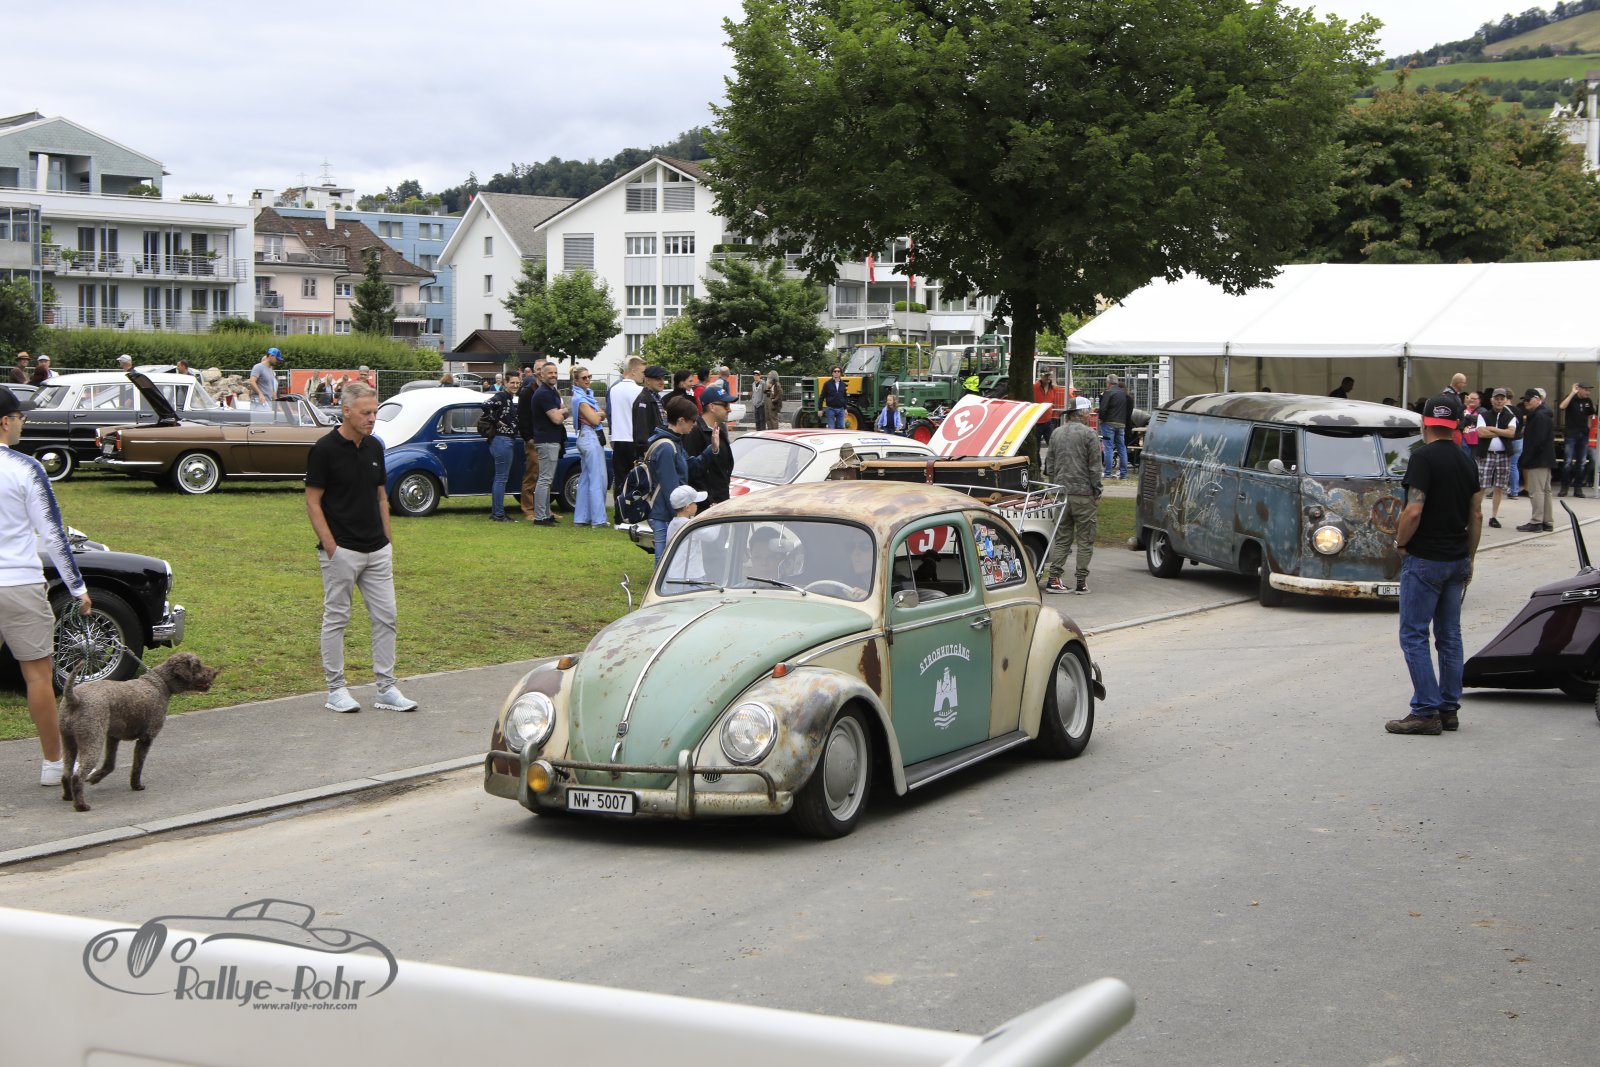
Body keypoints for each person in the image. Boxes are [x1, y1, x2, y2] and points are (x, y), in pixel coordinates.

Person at [304, 381, 418, 715]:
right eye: (366, 412)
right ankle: (336, 690)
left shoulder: (374, 447)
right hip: (342, 551)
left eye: (375, 412)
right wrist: (331, 546)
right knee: (336, 618)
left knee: (387, 617)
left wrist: (388, 540)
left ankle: (386, 688)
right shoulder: (324, 449)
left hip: (377, 549)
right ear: (346, 411)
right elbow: (313, 502)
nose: (372, 418)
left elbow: (381, 496)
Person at [0, 387, 92, 786]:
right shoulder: (26, 468)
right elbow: (53, 535)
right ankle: (54, 764)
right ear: (5, 422)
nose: (23, 423)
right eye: (20, 417)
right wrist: (77, 587)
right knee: (37, 676)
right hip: (19, 582)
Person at [1389, 393, 1483, 736]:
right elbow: (1476, 514)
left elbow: (1413, 510)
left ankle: (1425, 711)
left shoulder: (1422, 458)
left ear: (1424, 423)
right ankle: (1448, 708)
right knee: (1449, 635)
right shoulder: (1467, 461)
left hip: (1425, 559)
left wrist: (1401, 543)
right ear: (1456, 424)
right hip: (1456, 558)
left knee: (1414, 635)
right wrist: (1470, 558)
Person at [644, 396, 717, 563]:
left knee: (669, 559)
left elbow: (691, 466)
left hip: (666, 512)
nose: (694, 424)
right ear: (681, 420)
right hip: (662, 514)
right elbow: (671, 490)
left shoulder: (674, 442)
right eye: (693, 421)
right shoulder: (666, 447)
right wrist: (680, 518)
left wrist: (711, 449)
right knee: (664, 560)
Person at [1042, 396, 1103, 594]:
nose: (1090, 415)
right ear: (1082, 414)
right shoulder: (1089, 434)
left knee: (1062, 538)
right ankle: (1081, 582)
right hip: (1083, 494)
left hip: (1061, 493)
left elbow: (1050, 464)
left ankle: (1054, 578)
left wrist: (1054, 488)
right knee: (1085, 539)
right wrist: (1097, 490)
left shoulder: (1056, 433)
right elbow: (1095, 467)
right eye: (1088, 412)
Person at [528, 361, 568, 526]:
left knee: (547, 479)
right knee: (544, 479)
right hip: (546, 441)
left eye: (555, 372)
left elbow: (562, 411)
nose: (553, 375)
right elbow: (557, 418)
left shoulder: (552, 392)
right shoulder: (543, 393)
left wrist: (561, 411)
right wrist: (563, 411)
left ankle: (545, 513)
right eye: (550, 373)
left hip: (551, 440)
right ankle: (540, 516)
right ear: (541, 375)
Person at [570, 366, 608, 528]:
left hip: (588, 436)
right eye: (584, 378)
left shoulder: (587, 396)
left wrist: (598, 414)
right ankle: (598, 519)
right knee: (598, 479)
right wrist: (598, 414)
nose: (587, 380)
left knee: (586, 479)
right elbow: (595, 419)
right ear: (576, 381)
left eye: (589, 376)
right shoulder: (580, 399)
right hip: (589, 436)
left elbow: (600, 414)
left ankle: (581, 517)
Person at [608, 357, 645, 513]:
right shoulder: (639, 391)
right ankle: (631, 512)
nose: (644, 375)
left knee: (620, 480)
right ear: (633, 371)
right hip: (633, 439)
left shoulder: (613, 389)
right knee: (636, 480)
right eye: (642, 372)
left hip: (618, 439)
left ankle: (619, 513)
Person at [1475, 388, 1517, 528]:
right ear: (1492, 400)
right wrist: (1502, 432)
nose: (1499, 401)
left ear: (1505, 400)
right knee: (1481, 485)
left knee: (1499, 486)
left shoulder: (1510, 416)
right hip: (1487, 454)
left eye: (1501, 399)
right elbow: (1481, 433)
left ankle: (1494, 516)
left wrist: (1492, 429)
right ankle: (1475, 513)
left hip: (1503, 454)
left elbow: (1511, 433)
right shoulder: (1483, 415)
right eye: (1497, 399)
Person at [685, 385, 734, 504]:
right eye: (725, 405)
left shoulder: (719, 431)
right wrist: (709, 501)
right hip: (707, 506)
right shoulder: (695, 432)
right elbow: (692, 472)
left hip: (721, 501)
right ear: (712, 407)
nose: (729, 409)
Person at [1517, 388, 1555, 534]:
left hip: (1538, 459)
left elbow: (1537, 441)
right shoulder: (1543, 414)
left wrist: (1527, 458)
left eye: (1528, 399)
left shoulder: (1539, 416)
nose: (1526, 402)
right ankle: (1547, 521)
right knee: (1545, 491)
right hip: (1545, 458)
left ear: (1538, 399)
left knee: (1536, 491)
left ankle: (1537, 521)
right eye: (1524, 400)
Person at [482, 378, 518, 522]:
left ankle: (497, 512)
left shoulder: (509, 398)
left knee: (500, 478)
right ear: (505, 383)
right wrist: (495, 421)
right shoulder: (502, 396)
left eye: (517, 383)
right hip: (502, 440)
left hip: (503, 440)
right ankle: (498, 514)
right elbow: (485, 405)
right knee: (501, 478)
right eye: (512, 383)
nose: (515, 385)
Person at [515, 360, 546, 521]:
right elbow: (522, 417)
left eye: (543, 368)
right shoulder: (528, 391)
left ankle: (544, 509)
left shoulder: (550, 390)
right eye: (538, 369)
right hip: (533, 440)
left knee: (545, 476)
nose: (541, 371)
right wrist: (528, 438)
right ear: (534, 371)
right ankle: (528, 509)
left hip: (547, 439)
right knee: (532, 474)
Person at [665, 484, 709, 580]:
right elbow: (711, 536)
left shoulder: (673, 523)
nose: (697, 505)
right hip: (690, 576)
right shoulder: (690, 525)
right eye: (695, 503)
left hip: (674, 573)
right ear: (687, 507)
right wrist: (715, 514)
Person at [1558, 382, 1594, 498]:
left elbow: (1590, 415)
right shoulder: (1571, 399)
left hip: (1583, 434)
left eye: (1589, 390)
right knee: (1567, 462)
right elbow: (1562, 406)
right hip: (1571, 434)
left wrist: (1588, 428)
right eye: (1586, 390)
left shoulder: (1588, 401)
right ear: (1580, 389)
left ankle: (1578, 488)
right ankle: (1564, 487)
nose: (1588, 392)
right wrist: (1572, 393)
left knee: (1581, 463)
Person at [1099, 374, 1132, 479]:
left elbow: (1103, 409)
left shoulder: (1108, 392)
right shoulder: (1123, 393)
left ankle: (1107, 473)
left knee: (1108, 448)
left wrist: (1101, 418)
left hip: (1109, 423)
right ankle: (1123, 473)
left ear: (1108, 383)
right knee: (1122, 448)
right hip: (1121, 424)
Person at [632, 365, 668, 449]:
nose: (662, 382)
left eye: (663, 378)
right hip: (651, 448)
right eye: (658, 379)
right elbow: (641, 428)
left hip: (659, 445)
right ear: (647, 381)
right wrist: (645, 449)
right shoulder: (643, 400)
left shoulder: (657, 398)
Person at [1033, 371, 1061, 447]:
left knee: (1053, 445)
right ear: (1041, 376)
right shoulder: (1034, 388)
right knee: (1036, 447)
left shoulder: (1054, 389)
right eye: (1046, 375)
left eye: (1049, 375)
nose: (1048, 377)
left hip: (1048, 421)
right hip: (1036, 422)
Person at [821, 365, 849, 429]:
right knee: (831, 427)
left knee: (841, 427)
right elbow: (822, 396)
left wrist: (845, 409)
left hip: (841, 409)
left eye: (838, 371)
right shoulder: (827, 384)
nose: (837, 373)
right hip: (831, 409)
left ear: (840, 373)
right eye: (835, 371)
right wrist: (820, 409)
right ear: (832, 373)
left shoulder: (843, 384)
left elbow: (845, 397)